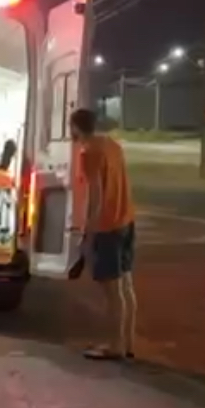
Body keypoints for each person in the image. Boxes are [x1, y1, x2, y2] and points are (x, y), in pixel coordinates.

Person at [69, 108, 137, 360]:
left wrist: (89, 231)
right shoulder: (113, 146)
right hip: (127, 221)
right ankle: (128, 342)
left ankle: (115, 346)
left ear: (76, 127)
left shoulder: (89, 153)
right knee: (126, 286)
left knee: (112, 291)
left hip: (108, 227)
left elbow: (96, 194)